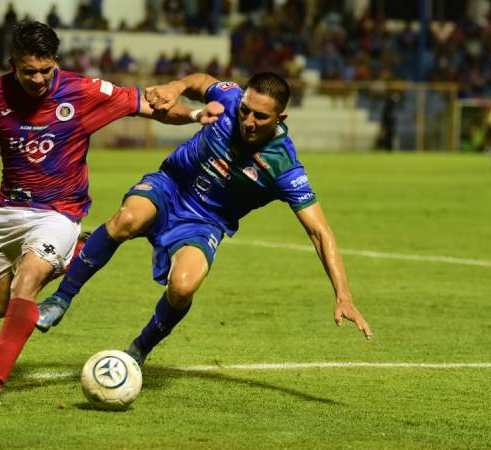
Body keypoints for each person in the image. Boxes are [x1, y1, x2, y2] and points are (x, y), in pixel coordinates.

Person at [0, 20, 221, 407]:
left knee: (26, 282)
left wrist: (195, 117)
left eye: (46, 69)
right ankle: (80, 251)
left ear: (55, 62)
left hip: (59, 211)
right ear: (13, 63)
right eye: (29, 71)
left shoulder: (82, 90)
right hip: (9, 211)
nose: (39, 79)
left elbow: (148, 105)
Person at [37, 72, 373, 367]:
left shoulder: (284, 166)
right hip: (170, 187)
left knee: (183, 287)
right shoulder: (228, 98)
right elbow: (200, 82)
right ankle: (61, 298)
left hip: (204, 223)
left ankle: (139, 349)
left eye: (260, 116)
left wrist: (343, 295)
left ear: (280, 117)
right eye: (245, 110)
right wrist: (176, 86)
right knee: (129, 218)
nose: (248, 121)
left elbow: (320, 232)